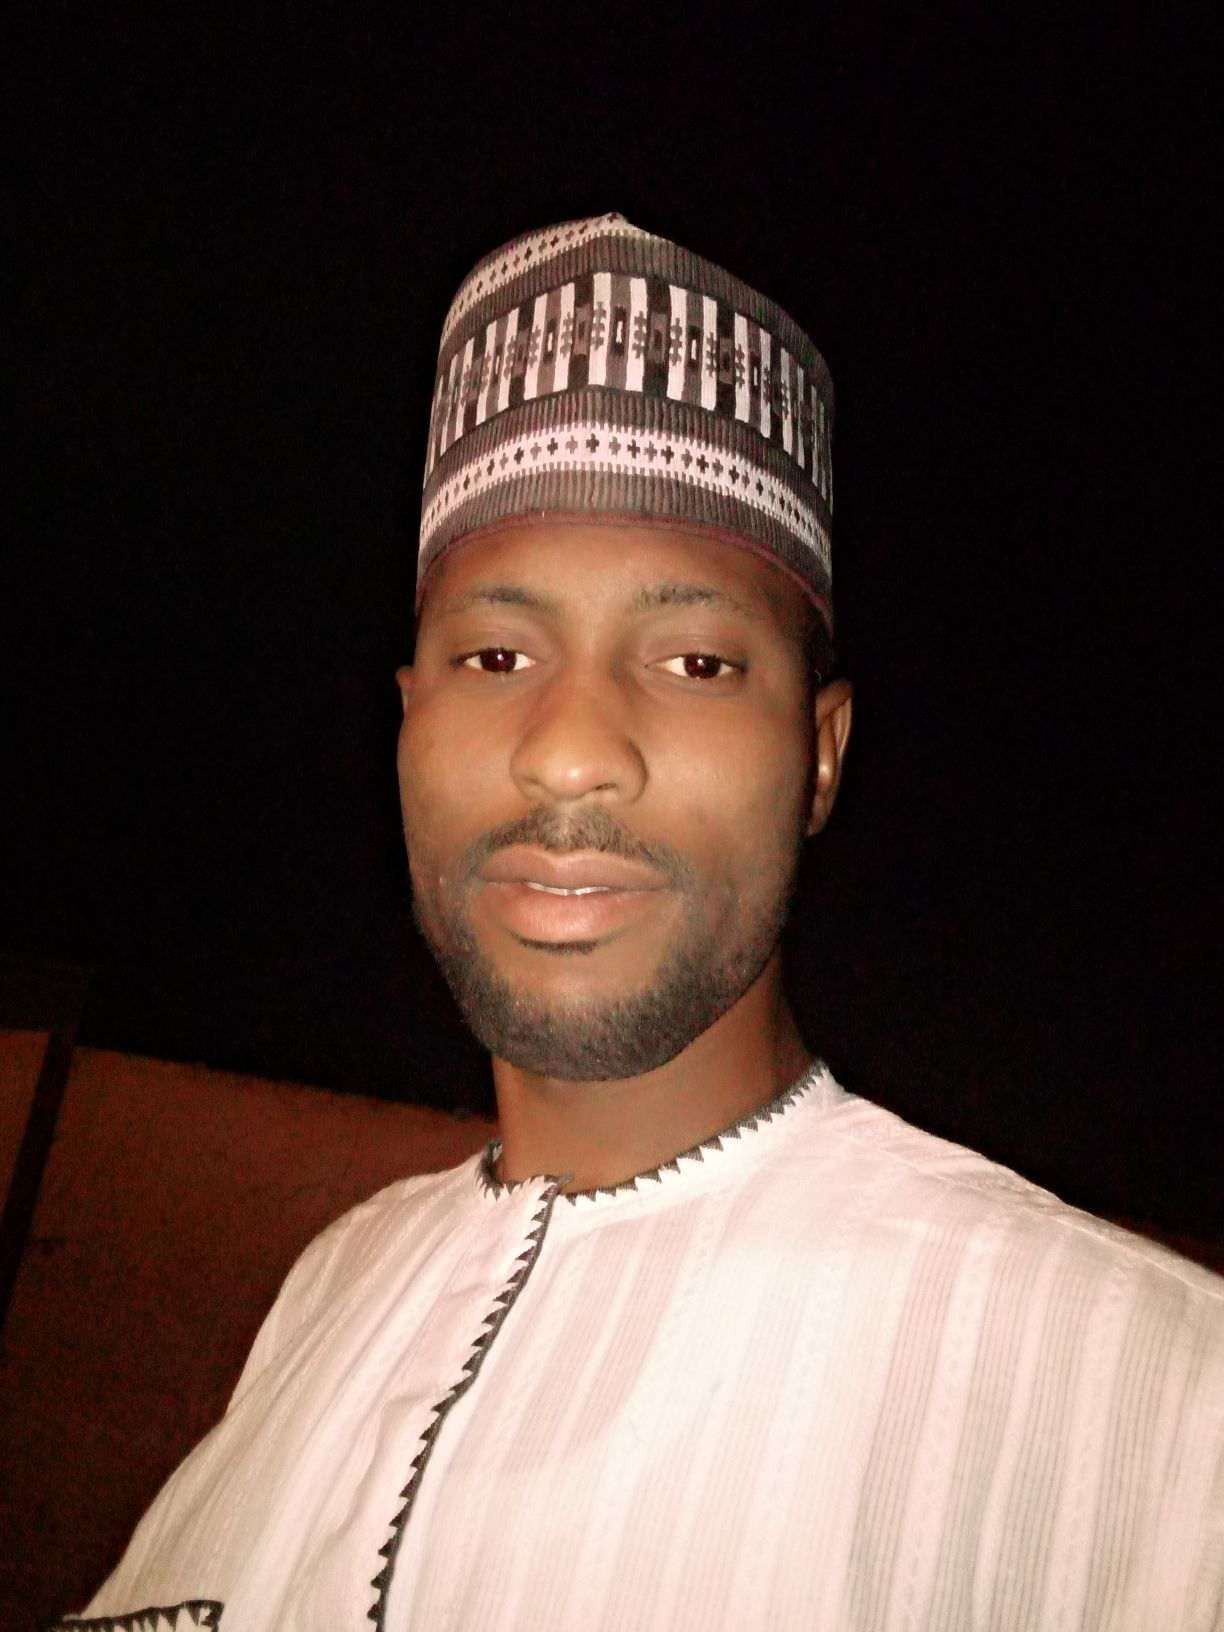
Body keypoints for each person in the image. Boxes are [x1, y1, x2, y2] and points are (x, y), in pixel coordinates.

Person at [60, 213, 1222, 1631]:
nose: (568, 756)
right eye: (497, 654)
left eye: (695, 662)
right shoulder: (332, 1283)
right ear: (407, 722)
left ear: (821, 756)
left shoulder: (1153, 1403)